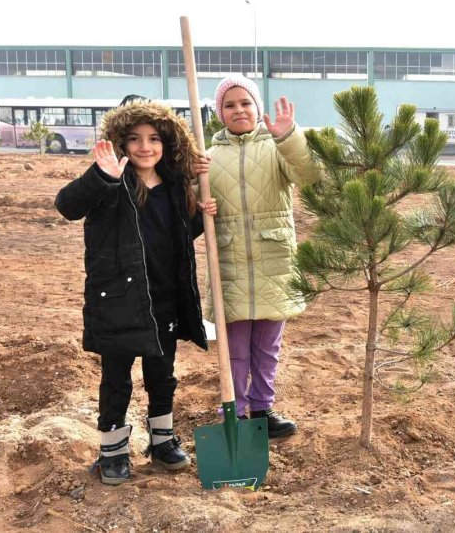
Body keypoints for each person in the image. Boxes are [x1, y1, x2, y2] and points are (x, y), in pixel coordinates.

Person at [55, 98, 217, 485]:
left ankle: (161, 440)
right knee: (117, 378)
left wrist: (200, 215)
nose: (145, 147)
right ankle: (112, 451)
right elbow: (67, 205)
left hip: (164, 298)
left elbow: (172, 236)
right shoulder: (110, 181)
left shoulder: (175, 186)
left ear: (167, 144)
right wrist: (100, 175)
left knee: (162, 374)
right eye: (135, 139)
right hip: (120, 300)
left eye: (154, 138)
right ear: (121, 143)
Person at [204, 75, 320, 438]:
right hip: (230, 264)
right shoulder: (207, 159)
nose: (238, 110)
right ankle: (235, 414)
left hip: (274, 261)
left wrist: (290, 138)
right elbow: (190, 208)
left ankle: (262, 409)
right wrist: (197, 202)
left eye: (245, 103)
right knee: (234, 349)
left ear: (257, 107)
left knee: (268, 346)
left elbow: (310, 175)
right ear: (219, 113)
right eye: (229, 105)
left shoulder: (276, 148)